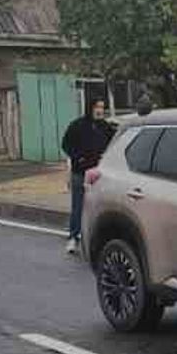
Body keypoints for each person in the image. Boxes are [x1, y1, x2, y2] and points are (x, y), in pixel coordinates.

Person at [60, 98, 114, 255]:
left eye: (102, 107)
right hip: (80, 172)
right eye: (97, 107)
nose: (100, 110)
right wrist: (78, 158)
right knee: (78, 206)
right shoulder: (77, 125)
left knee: (99, 207)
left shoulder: (105, 127)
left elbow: (113, 145)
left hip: (98, 174)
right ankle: (73, 237)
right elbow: (66, 144)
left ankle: (95, 238)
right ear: (90, 107)